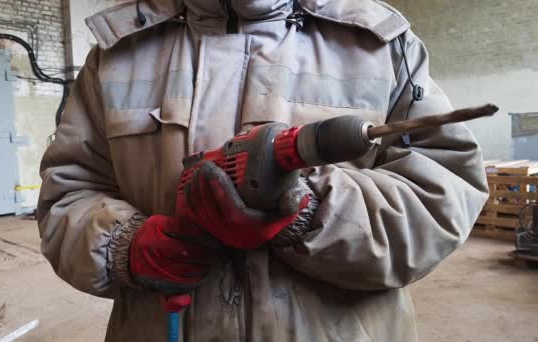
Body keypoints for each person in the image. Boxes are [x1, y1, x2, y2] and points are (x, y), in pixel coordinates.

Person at [37, 1, 489, 341]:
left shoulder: (381, 43)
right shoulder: (118, 52)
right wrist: (125, 245)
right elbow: (67, 192)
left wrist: (312, 212)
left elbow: (443, 195)